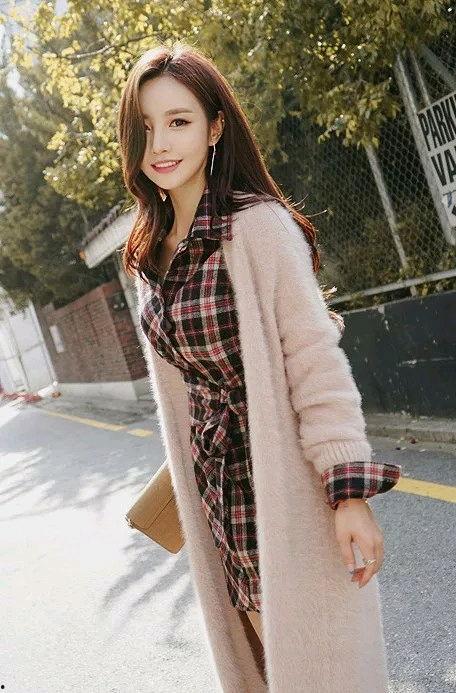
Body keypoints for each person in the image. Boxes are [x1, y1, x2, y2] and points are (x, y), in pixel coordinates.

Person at [117, 41, 402, 692]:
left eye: (179, 121)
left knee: (323, 674)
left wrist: (349, 492)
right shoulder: (149, 259)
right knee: (273, 671)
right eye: (145, 126)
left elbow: (314, 360)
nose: (160, 143)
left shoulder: (258, 227)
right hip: (222, 500)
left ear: (216, 128)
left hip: (286, 487)